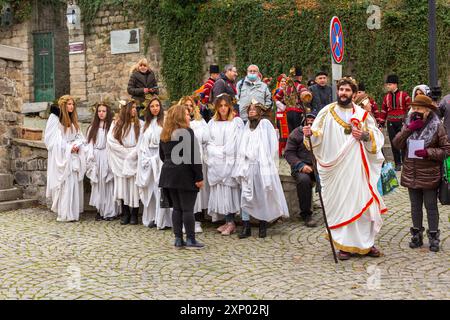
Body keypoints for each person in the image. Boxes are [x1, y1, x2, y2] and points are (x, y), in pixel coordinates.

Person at [303, 77, 387, 261]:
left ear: (354, 94)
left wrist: (364, 135)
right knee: (341, 204)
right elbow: (316, 136)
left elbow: (377, 138)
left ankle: (366, 243)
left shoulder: (363, 115)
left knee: (362, 202)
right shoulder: (327, 112)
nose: (343, 93)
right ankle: (343, 245)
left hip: (357, 168)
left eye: (348, 90)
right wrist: (309, 134)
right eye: (341, 90)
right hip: (335, 168)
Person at [392, 95, 450, 252]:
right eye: (414, 108)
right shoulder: (408, 123)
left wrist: (428, 152)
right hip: (411, 171)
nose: (415, 111)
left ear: (427, 109)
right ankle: (416, 235)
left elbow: (446, 150)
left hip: (429, 173)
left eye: (419, 108)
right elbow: (397, 144)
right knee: (415, 206)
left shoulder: (437, 125)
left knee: (431, 206)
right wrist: (409, 129)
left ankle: (433, 237)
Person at [233, 101, 289, 238]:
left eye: (254, 109)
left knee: (262, 194)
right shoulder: (246, 126)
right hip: (247, 166)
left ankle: (262, 225)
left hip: (262, 166)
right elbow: (242, 145)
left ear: (259, 111)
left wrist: (267, 161)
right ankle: (246, 227)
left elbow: (272, 144)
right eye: (249, 109)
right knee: (245, 195)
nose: (251, 111)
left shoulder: (265, 125)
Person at [159, 104, 204, 249]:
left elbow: (162, 155)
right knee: (187, 209)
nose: (188, 117)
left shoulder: (165, 133)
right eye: (186, 114)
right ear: (179, 117)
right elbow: (194, 157)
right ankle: (190, 239)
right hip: (185, 175)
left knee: (177, 209)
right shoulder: (187, 132)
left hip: (169, 175)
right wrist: (199, 177)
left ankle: (178, 239)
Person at [45, 95, 86, 222]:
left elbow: (80, 137)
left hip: (73, 156)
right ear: (63, 105)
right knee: (65, 185)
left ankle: (72, 213)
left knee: (73, 184)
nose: (71, 107)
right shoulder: (55, 118)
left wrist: (77, 145)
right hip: (62, 157)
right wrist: (69, 148)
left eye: (73, 104)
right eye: (69, 104)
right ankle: (64, 214)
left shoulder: (73, 120)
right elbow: (51, 141)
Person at [207, 94, 244, 235]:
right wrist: (215, 152)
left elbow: (236, 142)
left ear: (230, 106)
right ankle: (226, 221)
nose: (223, 108)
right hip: (216, 162)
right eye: (220, 106)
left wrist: (223, 151)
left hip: (229, 162)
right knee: (220, 193)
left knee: (229, 192)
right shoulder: (212, 123)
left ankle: (231, 222)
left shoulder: (236, 122)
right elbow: (208, 141)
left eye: (225, 105)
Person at [136, 96, 172, 229]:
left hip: (160, 159)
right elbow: (142, 143)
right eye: (152, 106)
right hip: (148, 160)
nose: (155, 108)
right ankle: (152, 217)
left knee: (161, 189)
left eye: (157, 106)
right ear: (149, 109)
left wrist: (160, 158)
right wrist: (145, 158)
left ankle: (164, 219)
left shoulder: (165, 123)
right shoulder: (146, 124)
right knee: (151, 190)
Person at [107, 100, 143, 225]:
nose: (134, 110)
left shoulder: (141, 124)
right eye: (132, 107)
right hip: (121, 159)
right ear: (126, 110)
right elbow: (111, 141)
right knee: (123, 187)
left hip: (135, 158)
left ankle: (134, 214)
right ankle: (125, 212)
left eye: (135, 107)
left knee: (134, 187)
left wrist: (133, 154)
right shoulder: (116, 124)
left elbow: (142, 142)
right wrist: (126, 153)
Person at [179, 96, 210, 233]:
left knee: (197, 191)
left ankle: (197, 220)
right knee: (185, 191)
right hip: (183, 162)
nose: (188, 107)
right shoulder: (178, 122)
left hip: (198, 160)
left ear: (194, 107)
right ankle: (184, 220)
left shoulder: (200, 121)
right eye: (185, 105)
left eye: (190, 105)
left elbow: (206, 139)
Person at [284, 112, 318, 227]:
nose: (310, 121)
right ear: (303, 120)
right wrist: (301, 165)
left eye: (312, 119)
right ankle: (306, 214)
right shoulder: (295, 134)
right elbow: (289, 153)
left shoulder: (320, 134)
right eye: (308, 118)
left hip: (318, 167)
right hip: (300, 168)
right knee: (304, 180)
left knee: (331, 179)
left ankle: (333, 212)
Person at [85, 102, 116, 221]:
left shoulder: (111, 126)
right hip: (96, 156)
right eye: (99, 111)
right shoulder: (92, 127)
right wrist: (91, 156)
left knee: (108, 184)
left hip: (107, 155)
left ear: (107, 112)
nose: (101, 113)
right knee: (98, 184)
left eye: (103, 111)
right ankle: (100, 210)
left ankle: (110, 211)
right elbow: (89, 144)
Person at [379, 74, 411, 171]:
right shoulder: (386, 97)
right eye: (387, 84)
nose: (388, 86)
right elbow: (384, 111)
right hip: (391, 123)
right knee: (394, 143)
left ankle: (405, 162)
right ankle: (397, 163)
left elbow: (410, 108)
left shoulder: (404, 95)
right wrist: (381, 123)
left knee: (403, 142)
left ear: (395, 84)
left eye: (389, 84)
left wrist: (408, 121)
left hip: (402, 122)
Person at [273, 74, 289, 157]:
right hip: (281, 114)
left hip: (287, 114)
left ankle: (287, 151)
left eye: (285, 81)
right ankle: (279, 152)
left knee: (288, 133)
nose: (283, 83)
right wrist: (285, 107)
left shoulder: (289, 90)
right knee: (281, 134)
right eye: (282, 81)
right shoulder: (277, 91)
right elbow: (277, 102)